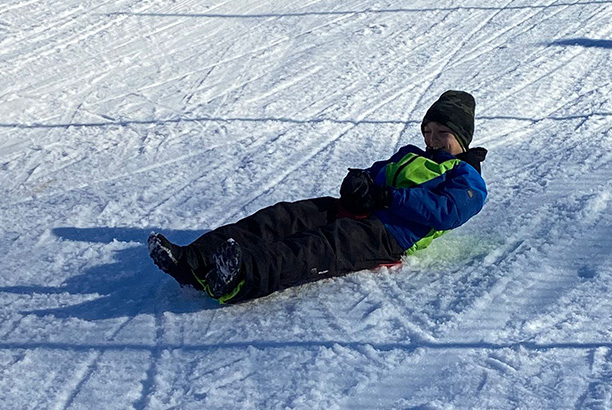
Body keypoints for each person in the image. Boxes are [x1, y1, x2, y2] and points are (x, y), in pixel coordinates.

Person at [148, 90, 488, 304]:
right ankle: (193, 261)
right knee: (282, 217)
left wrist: (388, 197)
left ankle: (237, 279)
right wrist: (359, 184)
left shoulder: (466, 176)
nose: (432, 139)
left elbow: (446, 213)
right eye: (428, 131)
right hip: (355, 211)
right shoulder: (410, 153)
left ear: (462, 137)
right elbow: (374, 174)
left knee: (313, 246)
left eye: (442, 133)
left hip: (386, 235)